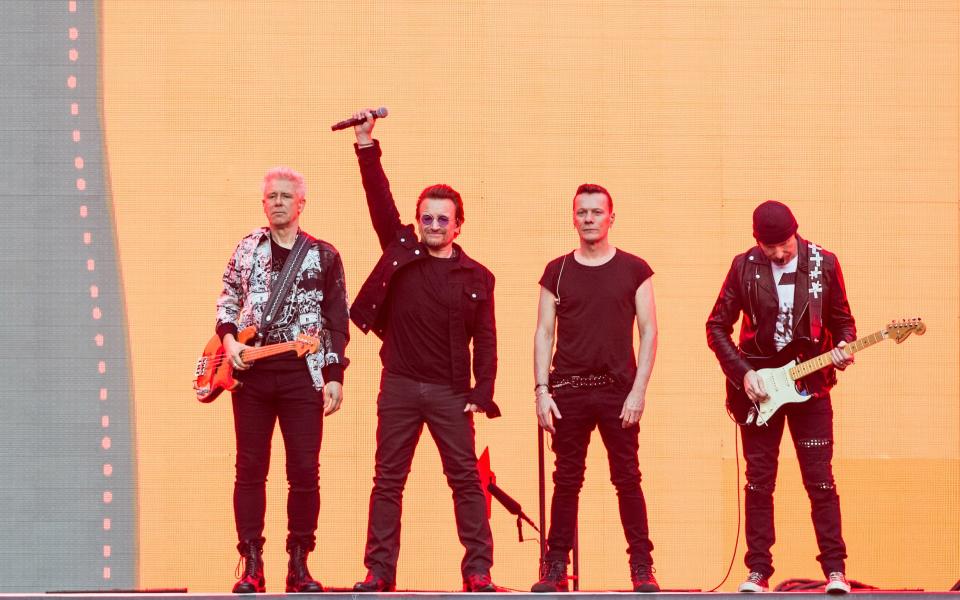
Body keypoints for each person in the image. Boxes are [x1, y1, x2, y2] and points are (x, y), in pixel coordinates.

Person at [347, 110, 500, 592]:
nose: (434, 225)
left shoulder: (477, 277)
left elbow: (488, 339)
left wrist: (483, 389)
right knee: (388, 481)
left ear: (458, 226)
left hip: (452, 392)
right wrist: (366, 145)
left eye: (443, 219)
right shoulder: (400, 250)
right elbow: (379, 200)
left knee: (466, 481)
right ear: (417, 222)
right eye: (426, 218)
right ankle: (379, 571)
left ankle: (478, 571)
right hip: (399, 386)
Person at [706, 200, 856, 594]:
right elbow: (716, 326)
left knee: (820, 480)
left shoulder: (823, 263)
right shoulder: (744, 266)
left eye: (785, 245)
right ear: (757, 241)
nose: (778, 253)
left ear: (796, 232)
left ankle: (835, 570)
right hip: (760, 391)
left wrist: (844, 346)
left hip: (812, 386)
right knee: (759, 482)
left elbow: (843, 320)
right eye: (769, 247)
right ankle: (758, 570)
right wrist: (744, 374)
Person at [215, 167, 350, 593]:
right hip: (252, 374)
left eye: (286, 196)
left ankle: (299, 563)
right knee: (250, 469)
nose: (278, 202)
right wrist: (229, 338)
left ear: (301, 203)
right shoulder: (246, 248)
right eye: (271, 195)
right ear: (264, 203)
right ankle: (252, 562)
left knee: (305, 471)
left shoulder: (324, 255)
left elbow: (336, 320)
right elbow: (228, 296)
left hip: (301, 375)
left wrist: (333, 374)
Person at [532, 184, 660, 593]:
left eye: (596, 212)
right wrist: (541, 390)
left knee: (627, 478)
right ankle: (555, 567)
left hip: (617, 393)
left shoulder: (634, 269)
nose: (588, 219)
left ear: (611, 217)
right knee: (566, 480)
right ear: (574, 218)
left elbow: (650, 331)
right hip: (567, 390)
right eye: (582, 212)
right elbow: (543, 333)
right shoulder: (557, 271)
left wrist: (638, 391)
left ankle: (642, 567)